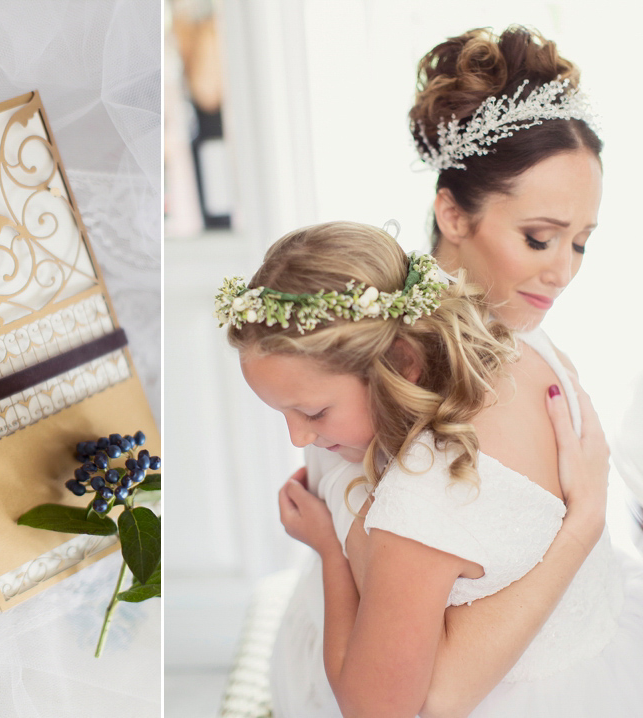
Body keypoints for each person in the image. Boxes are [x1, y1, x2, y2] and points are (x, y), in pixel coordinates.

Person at [262, 25, 635, 717]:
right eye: (540, 237)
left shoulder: (521, 345)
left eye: (581, 242)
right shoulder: (361, 346)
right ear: (451, 213)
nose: (564, 271)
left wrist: (332, 552)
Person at [220, 221, 643, 717]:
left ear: (402, 362)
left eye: (313, 413)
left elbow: (374, 709)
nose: (298, 437)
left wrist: (332, 548)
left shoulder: (422, 497)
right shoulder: (517, 338)